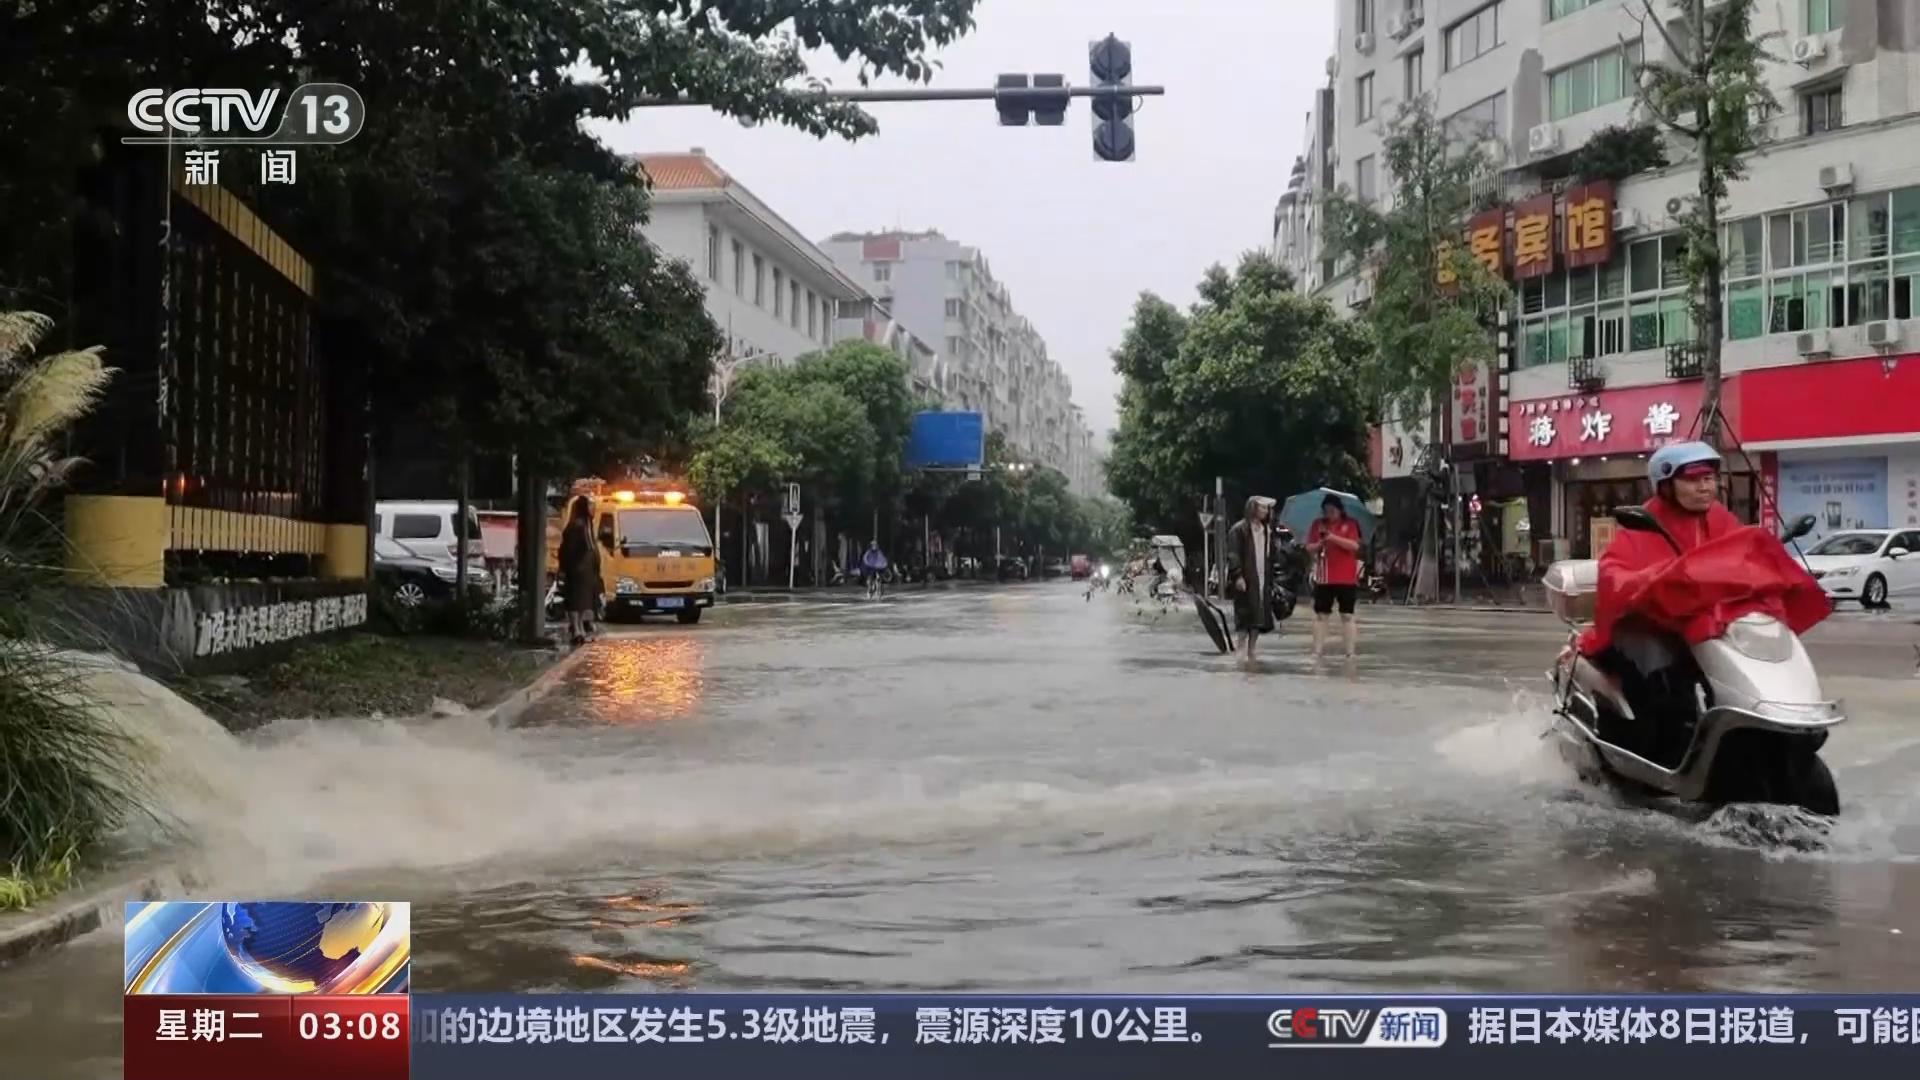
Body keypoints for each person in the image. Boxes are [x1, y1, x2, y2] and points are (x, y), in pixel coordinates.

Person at [1579, 440, 1743, 660]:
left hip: (1717, 626)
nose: (1704, 487)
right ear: (1665, 485)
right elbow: (1613, 575)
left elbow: (1744, 553)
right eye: (1692, 480)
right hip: (1656, 628)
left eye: (1708, 478)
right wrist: (1650, 578)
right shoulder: (1643, 522)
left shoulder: (1720, 518)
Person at [1305, 493, 1363, 659]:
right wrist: (1320, 544)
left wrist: (1333, 538)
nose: (1329, 514)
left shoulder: (1350, 524)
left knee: (1347, 615)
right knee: (1321, 614)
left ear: (1339, 510)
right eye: (1326, 511)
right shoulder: (1318, 525)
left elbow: (1354, 546)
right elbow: (1309, 547)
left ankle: (1350, 652)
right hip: (1324, 576)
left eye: (1332, 511)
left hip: (1346, 577)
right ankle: (1317, 650)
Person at [1225, 496, 1278, 666]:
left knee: (1259, 612)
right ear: (1252, 508)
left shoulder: (1267, 531)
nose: (1264, 512)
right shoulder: (1239, 530)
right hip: (1246, 576)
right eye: (1261, 508)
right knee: (1244, 611)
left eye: (1266, 509)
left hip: (1263, 576)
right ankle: (1241, 648)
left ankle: (1252, 649)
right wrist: (1237, 575)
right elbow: (1233, 554)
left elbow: (1271, 556)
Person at [557, 495, 602, 647]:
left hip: (584, 568)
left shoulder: (584, 524)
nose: (592, 509)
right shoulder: (577, 526)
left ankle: (580, 628)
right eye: (589, 506)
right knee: (576, 600)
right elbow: (569, 550)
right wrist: (568, 567)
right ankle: (577, 629)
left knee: (582, 599)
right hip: (577, 568)